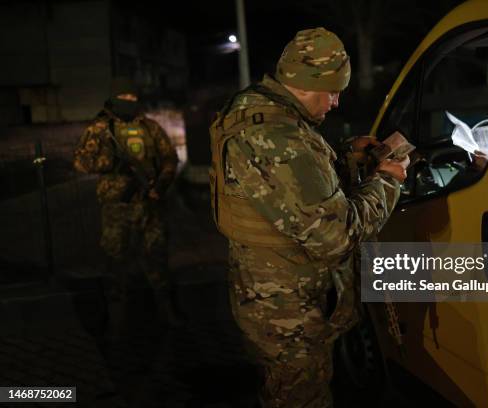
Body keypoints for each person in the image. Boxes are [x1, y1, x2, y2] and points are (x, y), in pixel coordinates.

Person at [209, 28, 408, 407]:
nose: (334, 104)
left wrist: (345, 153)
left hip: (271, 296)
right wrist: (387, 181)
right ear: (306, 84)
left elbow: (286, 184)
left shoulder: (258, 109)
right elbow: (335, 236)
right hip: (288, 311)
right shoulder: (278, 137)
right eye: (333, 92)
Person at [73, 77, 181, 335]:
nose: (130, 103)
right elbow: (81, 162)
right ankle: (116, 317)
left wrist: (160, 186)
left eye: (133, 99)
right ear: (114, 98)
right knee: (115, 261)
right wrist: (111, 165)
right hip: (116, 207)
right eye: (125, 98)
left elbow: (169, 158)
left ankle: (166, 311)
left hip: (149, 204)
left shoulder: (150, 128)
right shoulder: (100, 128)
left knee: (156, 257)